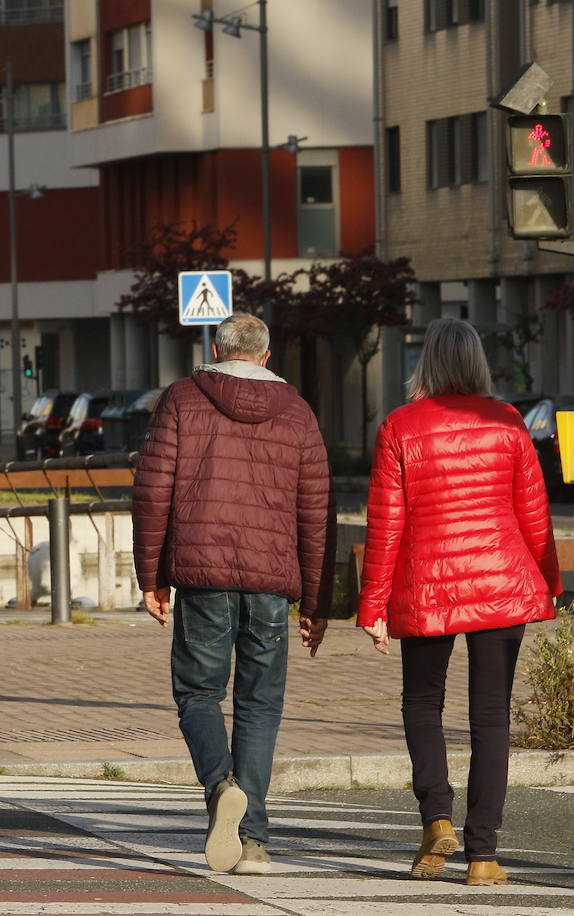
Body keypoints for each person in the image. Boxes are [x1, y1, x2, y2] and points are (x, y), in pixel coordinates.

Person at [357, 318, 561, 887]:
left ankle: (436, 822)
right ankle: (483, 856)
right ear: (476, 362)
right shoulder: (507, 420)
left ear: (426, 364)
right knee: (490, 717)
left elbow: (386, 524)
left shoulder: (400, 425)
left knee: (423, 703)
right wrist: (547, 582)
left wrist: (372, 603)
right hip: (501, 580)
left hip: (428, 586)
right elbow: (533, 513)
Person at [133, 312, 334, 875]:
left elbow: (152, 491)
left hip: (202, 575)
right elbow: (316, 514)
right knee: (260, 705)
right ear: (266, 357)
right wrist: (317, 604)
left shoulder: (181, 399)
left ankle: (220, 783)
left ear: (216, 349)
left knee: (198, 694)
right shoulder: (297, 412)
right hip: (272, 583)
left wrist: (151, 576)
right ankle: (253, 844)